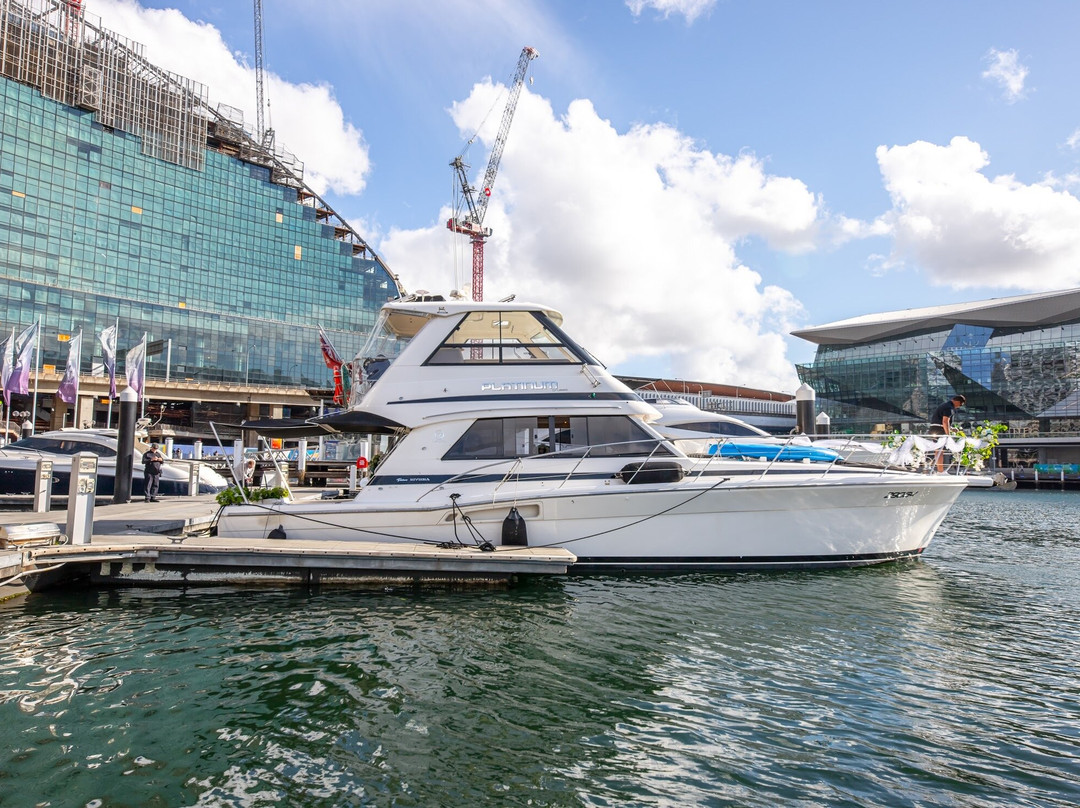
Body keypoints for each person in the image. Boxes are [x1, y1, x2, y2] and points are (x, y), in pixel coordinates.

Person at [929, 395, 966, 472]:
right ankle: (940, 471)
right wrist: (948, 435)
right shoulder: (949, 408)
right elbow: (945, 421)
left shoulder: (945, 405)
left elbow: (941, 420)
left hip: (935, 428)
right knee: (940, 451)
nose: (959, 407)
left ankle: (939, 469)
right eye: (960, 405)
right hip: (939, 429)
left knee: (938, 450)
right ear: (958, 402)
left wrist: (951, 428)